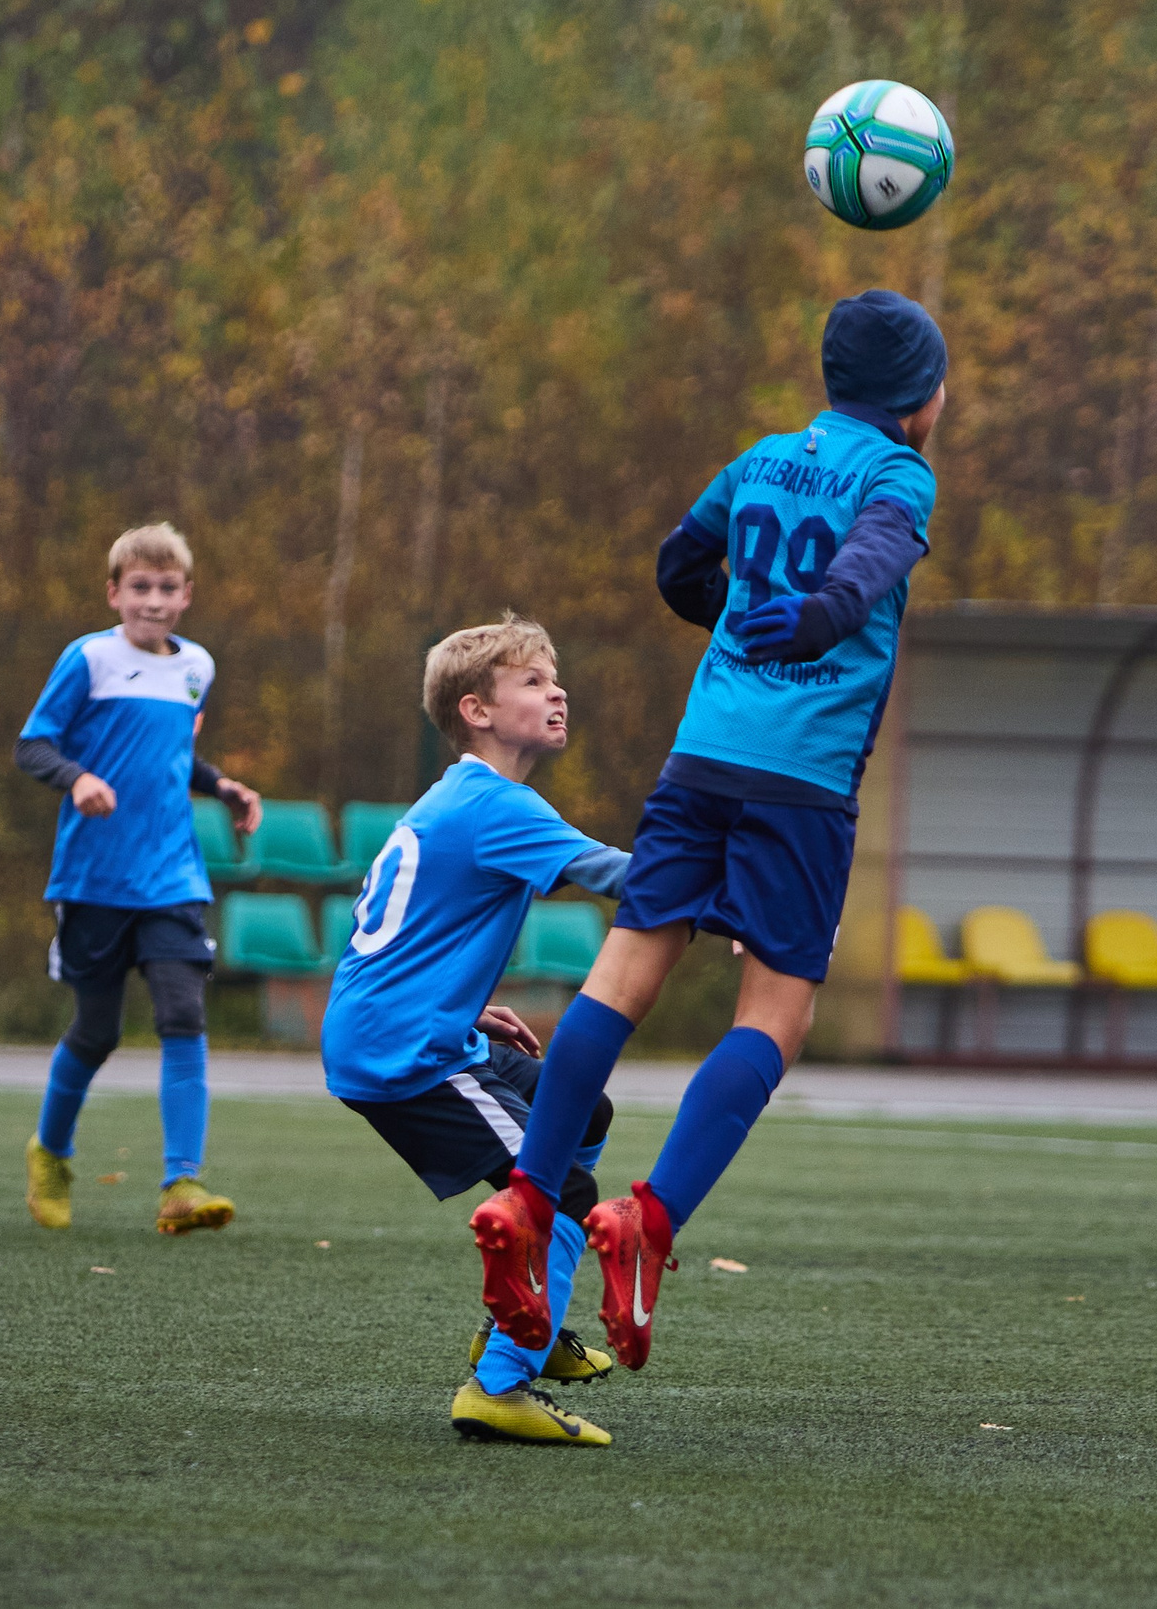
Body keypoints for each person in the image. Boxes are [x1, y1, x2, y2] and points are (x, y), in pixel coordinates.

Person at [471, 289, 944, 1368]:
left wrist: (731, 616)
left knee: (620, 977)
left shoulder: (761, 460)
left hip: (700, 756)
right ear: (923, 397)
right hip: (801, 782)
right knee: (776, 1014)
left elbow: (679, 563)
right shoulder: (901, 471)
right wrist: (821, 616)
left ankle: (530, 1195)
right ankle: (650, 1217)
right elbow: (872, 562)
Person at [324, 615, 630, 1446]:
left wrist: (461, 1003)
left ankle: (529, 1315)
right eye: (531, 681)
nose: (556, 690)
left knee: (583, 1113)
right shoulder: (496, 803)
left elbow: (418, 926)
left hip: (424, 1028)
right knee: (559, 1186)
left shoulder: (466, 796)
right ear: (476, 711)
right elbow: (612, 874)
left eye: (553, 676)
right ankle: (500, 1382)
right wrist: (737, 888)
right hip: (407, 1054)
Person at [16, 524, 263, 1235]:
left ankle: (181, 1182)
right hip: (94, 879)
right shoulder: (88, 658)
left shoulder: (197, 668)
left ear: (186, 595)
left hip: (173, 878)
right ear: (114, 593)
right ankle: (51, 1153)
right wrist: (79, 778)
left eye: (166, 587)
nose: (153, 600)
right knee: (96, 1032)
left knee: (183, 1015)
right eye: (139, 587)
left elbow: (171, 756)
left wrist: (222, 787)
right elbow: (32, 745)